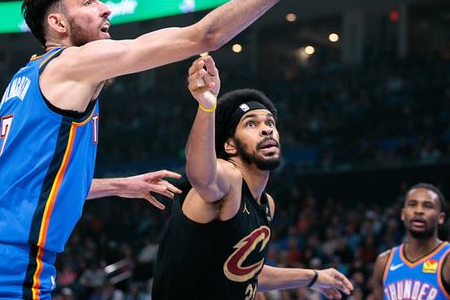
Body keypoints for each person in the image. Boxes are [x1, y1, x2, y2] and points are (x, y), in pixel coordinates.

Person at [0, 0, 361, 300]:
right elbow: (205, 35)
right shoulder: (72, 63)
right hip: (11, 268)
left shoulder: (25, 79)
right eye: (88, 2)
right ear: (58, 24)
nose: (105, 9)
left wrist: (118, 185)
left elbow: (30, 183)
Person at [152, 55, 354, 299]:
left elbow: (246, 272)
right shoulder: (228, 178)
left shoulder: (267, 204)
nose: (267, 129)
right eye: (251, 124)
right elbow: (201, 176)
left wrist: (313, 277)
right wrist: (206, 106)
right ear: (230, 146)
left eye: (270, 123)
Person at [370, 184, 450, 300]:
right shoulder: (383, 262)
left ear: (441, 218)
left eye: (427, 206)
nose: (418, 211)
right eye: (412, 205)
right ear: (403, 214)